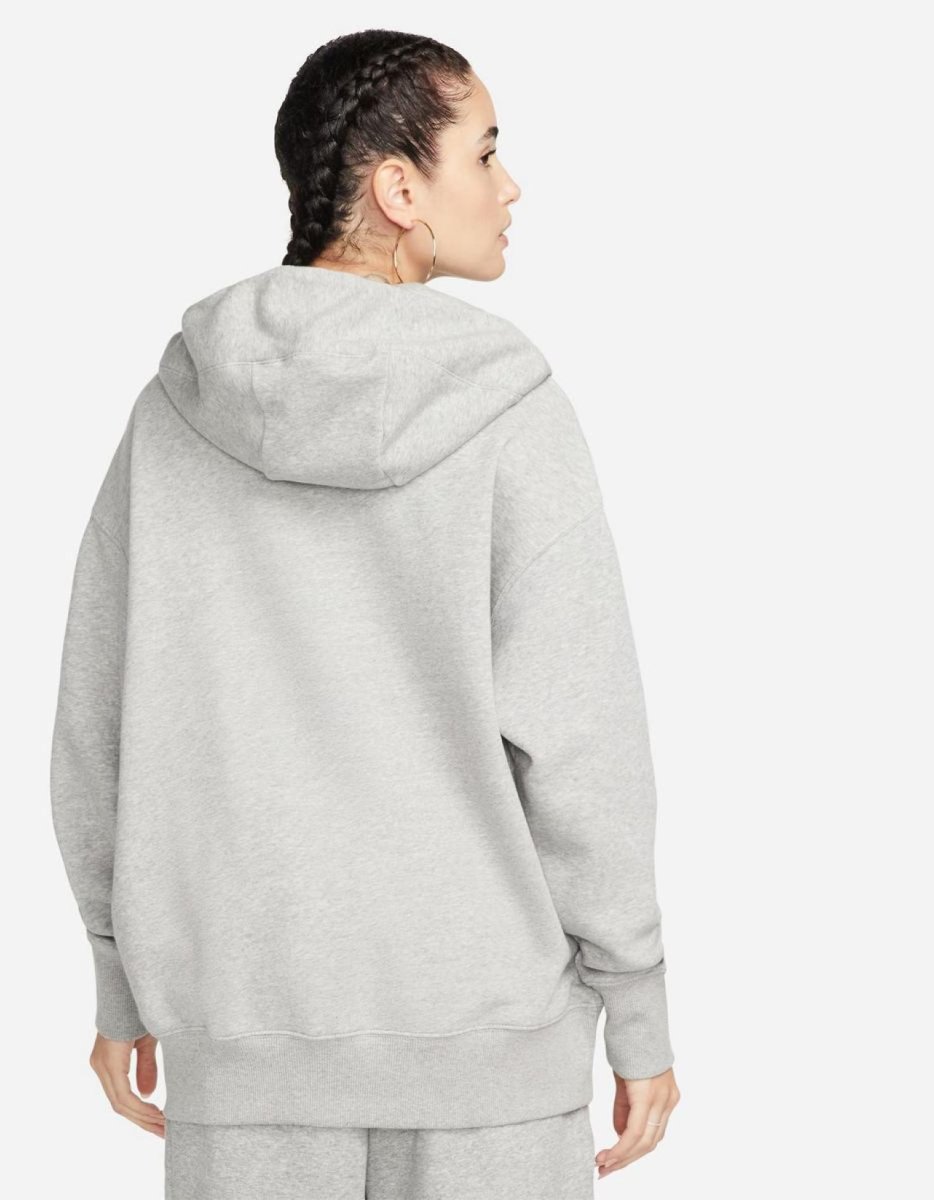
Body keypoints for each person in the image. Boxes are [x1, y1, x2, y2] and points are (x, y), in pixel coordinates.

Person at [49, 28, 681, 1200]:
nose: (510, 186)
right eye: (484, 153)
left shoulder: (173, 418)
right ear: (400, 189)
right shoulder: (512, 414)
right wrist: (636, 1003)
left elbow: (100, 731)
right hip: (492, 1068)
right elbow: (582, 743)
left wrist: (120, 977)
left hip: (244, 1060)